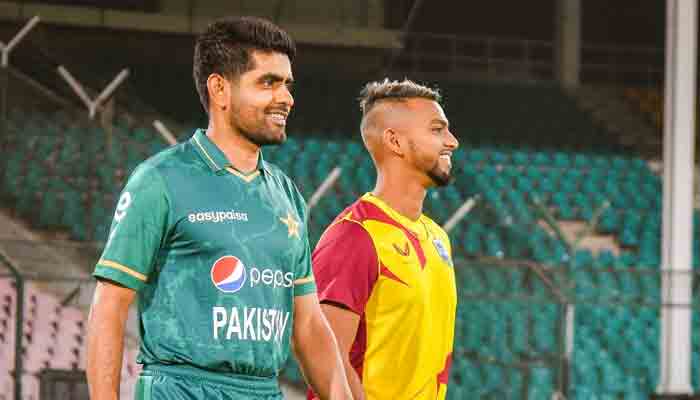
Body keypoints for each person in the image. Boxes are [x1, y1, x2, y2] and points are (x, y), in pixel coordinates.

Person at [86, 16, 352, 400]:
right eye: (268, 82)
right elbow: (110, 306)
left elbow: (308, 324)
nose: (286, 98)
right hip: (180, 390)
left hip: (263, 391)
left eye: (287, 84)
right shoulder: (160, 180)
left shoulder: (286, 194)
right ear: (219, 89)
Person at [308, 79, 459, 400]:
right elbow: (325, 356)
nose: (452, 141)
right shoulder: (355, 235)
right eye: (437, 129)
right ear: (395, 142)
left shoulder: (438, 238)